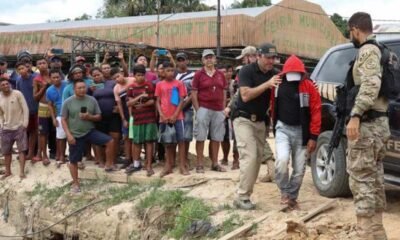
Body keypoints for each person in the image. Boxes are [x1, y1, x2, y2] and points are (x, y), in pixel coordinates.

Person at [346, 12, 390, 240]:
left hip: (367, 125)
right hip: (379, 126)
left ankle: (365, 235)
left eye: (349, 32)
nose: (350, 37)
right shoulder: (381, 50)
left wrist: (355, 115)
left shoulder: (368, 50)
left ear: (355, 29)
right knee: (374, 180)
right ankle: (377, 234)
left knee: (362, 180)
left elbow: (371, 84)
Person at [232, 43, 281, 210]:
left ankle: (245, 195)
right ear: (259, 56)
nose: (271, 61)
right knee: (250, 157)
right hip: (243, 119)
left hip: (261, 122)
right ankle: (242, 196)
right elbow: (245, 96)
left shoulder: (274, 73)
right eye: (268, 57)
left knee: (257, 158)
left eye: (273, 58)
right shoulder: (247, 71)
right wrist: (267, 84)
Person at [270, 55, 321, 209]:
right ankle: (285, 192)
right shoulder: (276, 84)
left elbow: (316, 111)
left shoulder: (309, 86)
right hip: (283, 128)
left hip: (302, 131)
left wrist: (313, 136)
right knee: (282, 160)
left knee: (299, 169)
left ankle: (292, 197)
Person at [61, 80, 117, 193]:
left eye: (83, 87)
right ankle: (76, 183)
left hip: (89, 131)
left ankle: (109, 164)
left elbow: (99, 116)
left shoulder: (92, 100)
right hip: (75, 134)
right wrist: (68, 135)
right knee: (73, 160)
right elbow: (63, 119)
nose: (82, 90)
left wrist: (89, 117)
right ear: (74, 89)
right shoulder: (68, 102)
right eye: (79, 88)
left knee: (110, 141)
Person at [192, 49, 227, 173]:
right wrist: (198, 109)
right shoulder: (198, 74)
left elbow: (224, 91)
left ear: (215, 59)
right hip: (204, 107)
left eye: (211, 57)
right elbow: (194, 92)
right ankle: (200, 164)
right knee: (200, 136)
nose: (209, 60)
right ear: (202, 60)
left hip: (218, 109)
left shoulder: (220, 74)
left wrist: (223, 108)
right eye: (206, 58)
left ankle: (215, 163)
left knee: (216, 137)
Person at [155, 62, 188, 176]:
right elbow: (158, 101)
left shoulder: (179, 84)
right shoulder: (159, 84)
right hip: (164, 118)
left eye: (172, 70)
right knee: (167, 143)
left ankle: (182, 166)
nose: (170, 73)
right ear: (163, 72)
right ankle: (168, 165)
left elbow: (181, 100)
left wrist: (175, 115)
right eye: (167, 70)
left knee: (181, 141)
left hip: (178, 117)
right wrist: (161, 115)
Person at [126, 65, 158, 176]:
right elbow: (129, 103)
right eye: (138, 75)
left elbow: (152, 101)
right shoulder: (130, 87)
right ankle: (136, 164)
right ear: (134, 75)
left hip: (149, 118)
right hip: (137, 118)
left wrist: (141, 103)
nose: (140, 77)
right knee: (137, 142)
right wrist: (140, 97)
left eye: (142, 75)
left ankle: (148, 165)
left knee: (149, 141)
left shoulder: (150, 85)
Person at [92, 67, 121, 168]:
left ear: (102, 74)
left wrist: (118, 107)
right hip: (99, 117)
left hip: (114, 116)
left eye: (98, 74)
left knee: (115, 138)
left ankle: (113, 160)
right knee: (99, 140)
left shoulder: (112, 83)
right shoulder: (91, 87)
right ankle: (101, 161)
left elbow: (120, 95)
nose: (97, 77)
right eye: (94, 76)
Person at [0, 77, 29, 179]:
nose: (6, 86)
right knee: (6, 151)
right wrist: (1, 125)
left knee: (22, 150)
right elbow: (0, 114)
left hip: (19, 126)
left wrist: (25, 124)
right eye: (3, 85)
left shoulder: (17, 94)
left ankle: (21, 172)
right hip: (6, 128)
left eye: (7, 84)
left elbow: (25, 109)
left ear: (10, 84)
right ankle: (8, 172)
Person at [112, 67, 135, 169]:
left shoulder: (132, 80)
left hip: (137, 112)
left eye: (118, 76)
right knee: (126, 137)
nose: (117, 79)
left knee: (135, 137)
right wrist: (123, 119)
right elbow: (119, 105)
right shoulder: (116, 88)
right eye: (114, 78)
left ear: (122, 73)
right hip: (125, 114)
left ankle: (136, 159)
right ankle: (128, 159)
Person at [15, 61, 39, 161]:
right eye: (19, 69)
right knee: (24, 132)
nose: (21, 70)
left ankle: (31, 153)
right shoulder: (18, 80)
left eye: (23, 68)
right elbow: (18, 96)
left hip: (36, 109)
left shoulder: (35, 78)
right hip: (24, 110)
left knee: (35, 132)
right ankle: (24, 152)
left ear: (28, 68)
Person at [175, 52, 195, 169]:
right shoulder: (173, 74)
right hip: (174, 109)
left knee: (186, 135)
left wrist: (183, 106)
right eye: (179, 60)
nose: (181, 62)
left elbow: (193, 92)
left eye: (183, 60)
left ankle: (185, 158)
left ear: (187, 61)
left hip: (187, 108)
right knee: (175, 135)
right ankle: (176, 159)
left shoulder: (193, 75)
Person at [32, 57, 52, 165]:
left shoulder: (54, 75)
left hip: (55, 106)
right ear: (37, 67)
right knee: (42, 132)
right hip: (43, 106)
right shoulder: (36, 79)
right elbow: (35, 97)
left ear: (47, 64)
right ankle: (44, 155)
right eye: (39, 63)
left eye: (44, 63)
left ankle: (58, 154)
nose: (42, 65)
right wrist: (43, 88)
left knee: (55, 131)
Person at [46, 69, 67, 167]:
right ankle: (62, 156)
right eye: (53, 77)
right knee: (60, 137)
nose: (56, 79)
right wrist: (53, 119)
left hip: (71, 114)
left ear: (61, 77)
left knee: (73, 136)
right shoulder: (49, 90)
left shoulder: (67, 85)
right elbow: (50, 105)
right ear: (50, 79)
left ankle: (74, 157)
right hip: (59, 115)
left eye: (57, 77)